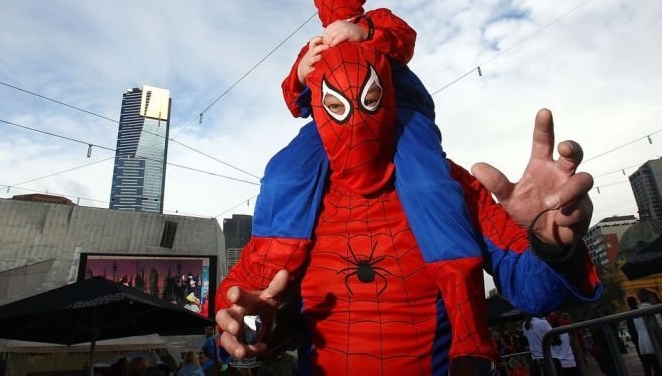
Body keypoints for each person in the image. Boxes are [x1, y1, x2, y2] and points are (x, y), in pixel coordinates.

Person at [216, 42, 600, 375]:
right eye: (335, 106)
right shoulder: (298, 201)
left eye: (369, 100)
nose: (355, 123)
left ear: (389, 98)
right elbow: (250, 314)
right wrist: (249, 328)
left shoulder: (449, 187)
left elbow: (537, 293)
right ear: (318, 109)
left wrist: (549, 242)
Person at [264, 0, 494, 360]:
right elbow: (295, 101)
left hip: (399, 114)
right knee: (283, 173)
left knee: (429, 185)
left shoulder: (378, 19)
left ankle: (469, 331)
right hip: (329, 125)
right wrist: (300, 73)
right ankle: (279, 292)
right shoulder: (312, 45)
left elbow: (405, 42)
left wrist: (365, 33)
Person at [633, 288, 662, 375]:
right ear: (649, 297)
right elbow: (659, 326)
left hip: (643, 345)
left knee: (653, 368)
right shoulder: (652, 310)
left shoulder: (636, 313)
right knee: (659, 369)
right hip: (654, 344)